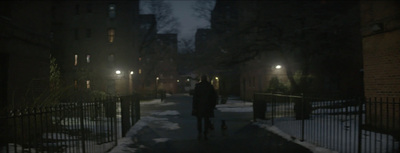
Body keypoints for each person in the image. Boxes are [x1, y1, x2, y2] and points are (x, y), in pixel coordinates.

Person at [192, 75, 217, 140]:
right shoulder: (210, 86)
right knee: (206, 119)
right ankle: (205, 132)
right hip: (207, 106)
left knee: (199, 120)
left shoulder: (198, 86)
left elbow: (195, 98)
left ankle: (200, 132)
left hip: (199, 106)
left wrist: (194, 107)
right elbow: (214, 97)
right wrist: (213, 105)